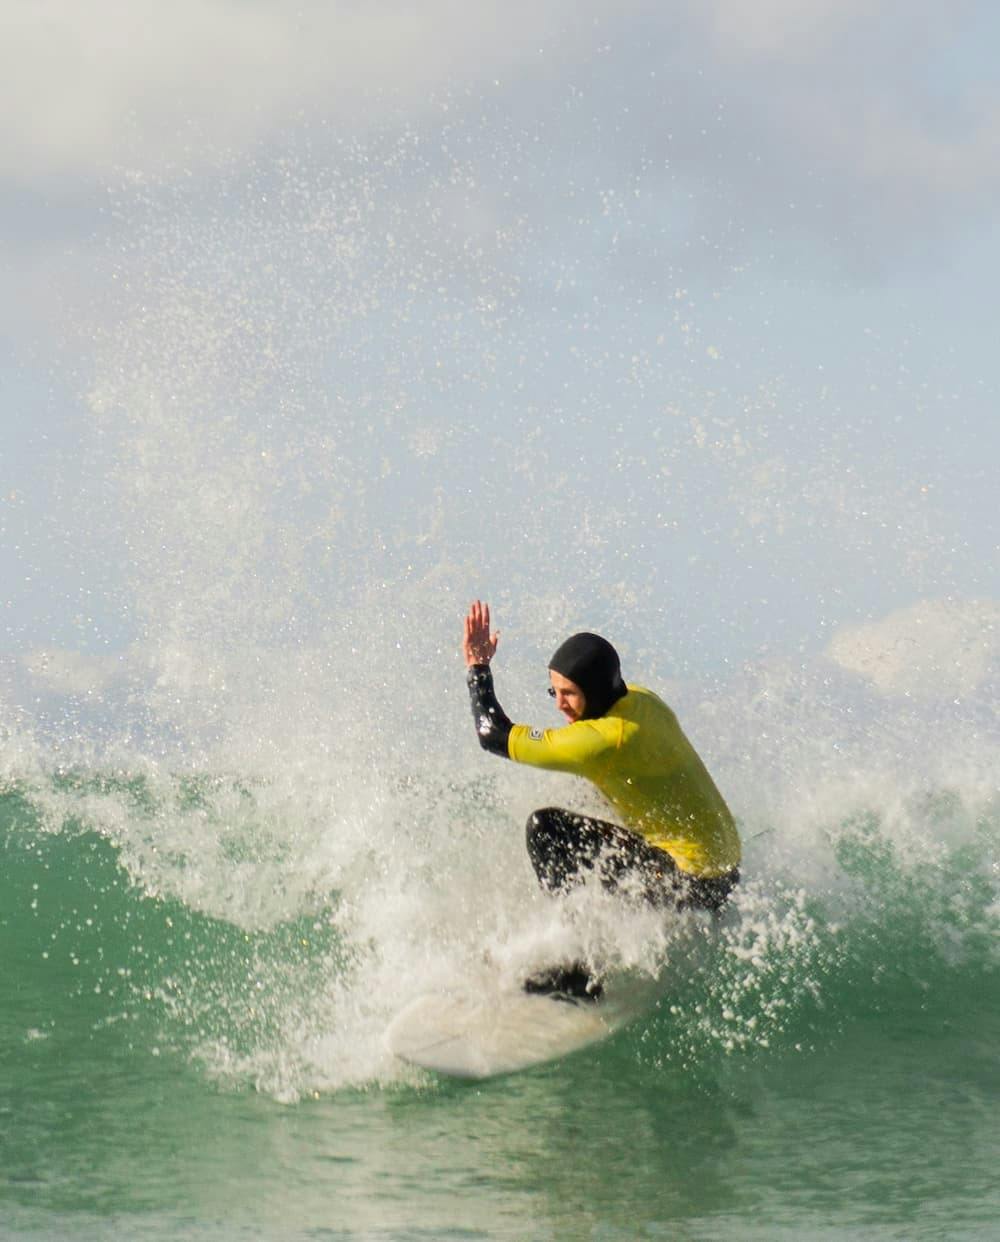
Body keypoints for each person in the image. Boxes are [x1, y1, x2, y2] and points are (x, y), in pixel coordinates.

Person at [463, 600, 741, 994]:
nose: (559, 704)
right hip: (725, 872)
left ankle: (578, 970)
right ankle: (596, 927)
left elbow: (492, 733)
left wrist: (477, 666)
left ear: (594, 691)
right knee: (584, 790)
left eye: (570, 694)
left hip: (691, 888)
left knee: (547, 829)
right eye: (553, 691)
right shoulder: (642, 701)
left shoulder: (602, 741)